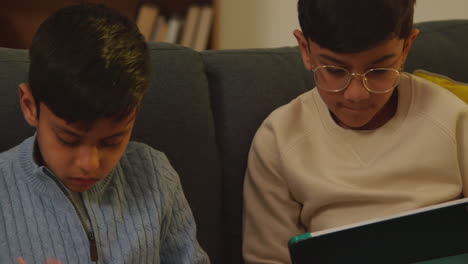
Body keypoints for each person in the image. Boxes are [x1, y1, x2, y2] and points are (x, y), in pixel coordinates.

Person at [242, 0, 468, 263]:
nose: (357, 94)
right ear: (305, 50)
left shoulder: (452, 117)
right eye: (336, 71)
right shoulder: (278, 138)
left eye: (380, 70)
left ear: (406, 47)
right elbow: (268, 259)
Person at [0, 4, 209, 264]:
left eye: (112, 141)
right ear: (30, 106)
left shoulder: (154, 176)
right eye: (68, 139)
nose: (90, 164)